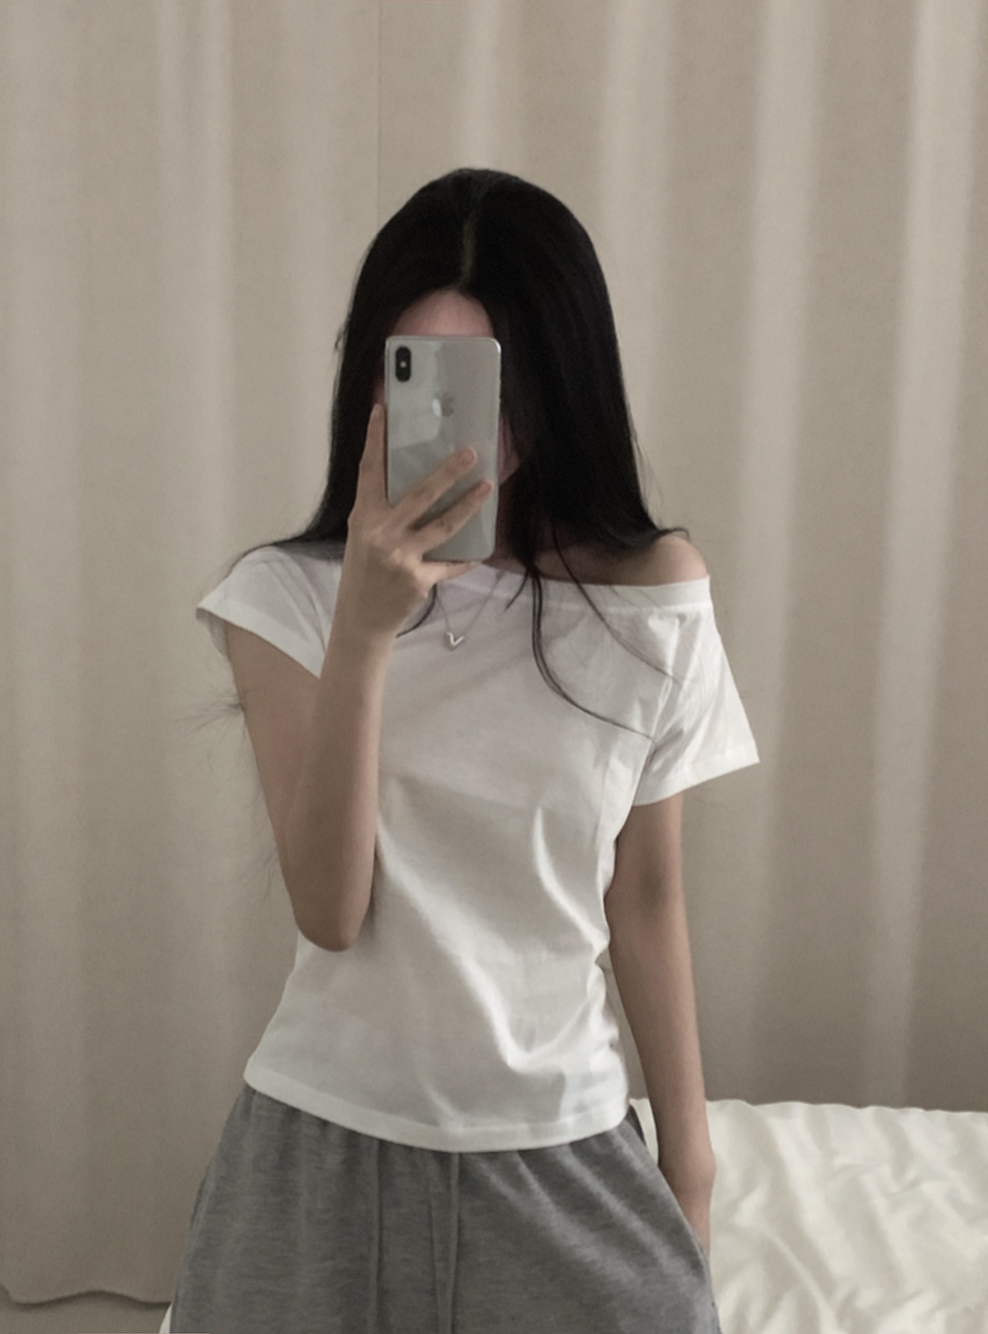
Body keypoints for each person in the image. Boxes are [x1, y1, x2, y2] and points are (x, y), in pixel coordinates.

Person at [167, 167, 759, 1333]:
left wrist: (688, 1171)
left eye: (490, 380)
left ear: (557, 382)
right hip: (320, 1145)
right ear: (372, 381)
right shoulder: (282, 601)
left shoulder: (650, 600)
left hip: (562, 1144)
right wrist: (364, 628)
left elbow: (646, 898)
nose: (458, 424)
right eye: (416, 371)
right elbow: (329, 908)